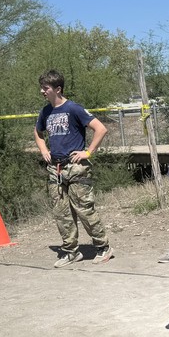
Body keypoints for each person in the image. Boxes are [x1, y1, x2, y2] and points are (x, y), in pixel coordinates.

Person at [34, 69, 113, 268]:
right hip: (56, 169)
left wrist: (88, 152)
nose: (43, 91)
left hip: (76, 168)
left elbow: (100, 128)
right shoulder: (45, 112)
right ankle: (71, 251)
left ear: (58, 89)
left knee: (84, 209)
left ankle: (103, 247)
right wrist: (44, 149)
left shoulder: (74, 108)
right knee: (61, 212)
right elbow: (38, 132)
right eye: (42, 88)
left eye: (46, 88)